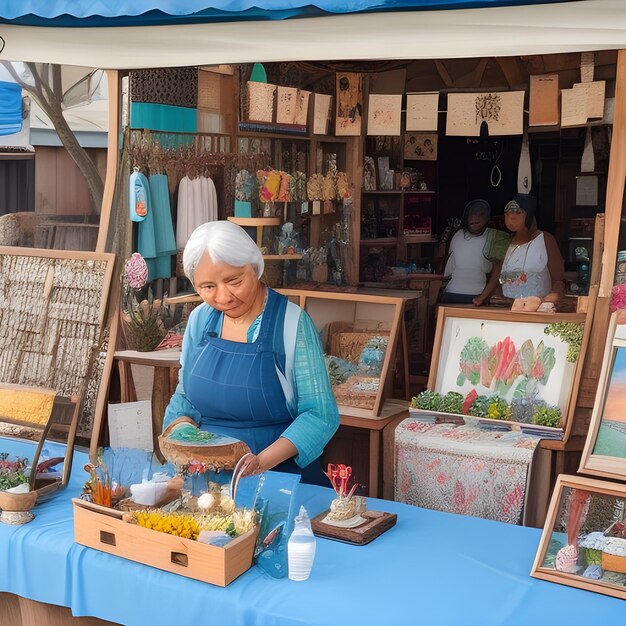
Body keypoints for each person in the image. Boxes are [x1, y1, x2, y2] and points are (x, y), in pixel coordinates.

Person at [162, 220, 339, 484]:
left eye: (234, 281)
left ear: (254, 267)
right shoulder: (199, 320)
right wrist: (186, 436)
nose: (223, 297)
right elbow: (185, 396)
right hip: (204, 480)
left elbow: (319, 415)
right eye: (207, 287)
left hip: (278, 477)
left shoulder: (291, 324)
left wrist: (259, 462)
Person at [441, 199, 509, 305]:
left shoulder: (495, 237)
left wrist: (482, 297)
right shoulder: (458, 235)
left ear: (487, 217)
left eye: (481, 215)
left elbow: (497, 272)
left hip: (477, 296)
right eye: (472, 214)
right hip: (450, 294)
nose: (475, 218)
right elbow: (448, 269)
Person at [498, 193, 564, 300]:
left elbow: (558, 280)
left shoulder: (545, 240)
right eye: (508, 213)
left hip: (537, 308)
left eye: (517, 212)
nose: (511, 217)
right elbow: (500, 276)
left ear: (528, 215)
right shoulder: (506, 242)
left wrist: (550, 301)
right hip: (508, 306)